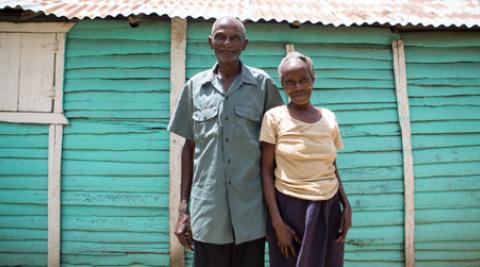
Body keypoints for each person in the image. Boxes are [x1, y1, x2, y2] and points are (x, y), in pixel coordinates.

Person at [167, 16, 283, 267]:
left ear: (245, 44)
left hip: (251, 211)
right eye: (220, 36)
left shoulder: (263, 85)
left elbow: (279, 146)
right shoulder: (195, 87)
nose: (227, 43)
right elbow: (189, 148)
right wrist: (183, 209)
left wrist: (279, 209)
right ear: (210, 42)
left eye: (235, 38)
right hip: (208, 211)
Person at [260, 52, 352, 267]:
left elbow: (330, 164)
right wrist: (277, 223)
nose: (298, 87)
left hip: (328, 209)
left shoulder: (329, 118)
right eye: (290, 82)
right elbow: (265, 172)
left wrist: (345, 205)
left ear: (313, 79)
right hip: (290, 209)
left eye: (303, 80)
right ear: (283, 85)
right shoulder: (274, 118)